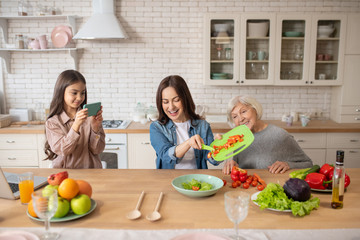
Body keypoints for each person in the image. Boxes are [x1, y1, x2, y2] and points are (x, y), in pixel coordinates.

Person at [222, 95, 312, 174]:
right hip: (246, 188)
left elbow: (308, 164)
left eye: (243, 111)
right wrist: (233, 165)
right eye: (235, 116)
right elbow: (240, 167)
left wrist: (289, 165)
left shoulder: (280, 136)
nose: (240, 118)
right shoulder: (238, 139)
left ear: (255, 110)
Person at [150, 75, 218, 169]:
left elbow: (213, 159)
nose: (171, 107)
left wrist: (220, 147)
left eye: (176, 100)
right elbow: (166, 156)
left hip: (196, 180)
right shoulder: (157, 127)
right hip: (168, 180)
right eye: (165, 102)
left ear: (185, 99)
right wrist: (188, 143)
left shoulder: (202, 126)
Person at [44, 69, 105, 168]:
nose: (79, 98)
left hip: (92, 173)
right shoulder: (53, 122)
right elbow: (63, 150)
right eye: (74, 93)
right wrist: (76, 125)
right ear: (61, 92)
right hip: (66, 175)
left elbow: (98, 150)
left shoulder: (90, 117)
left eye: (82, 93)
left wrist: (95, 128)